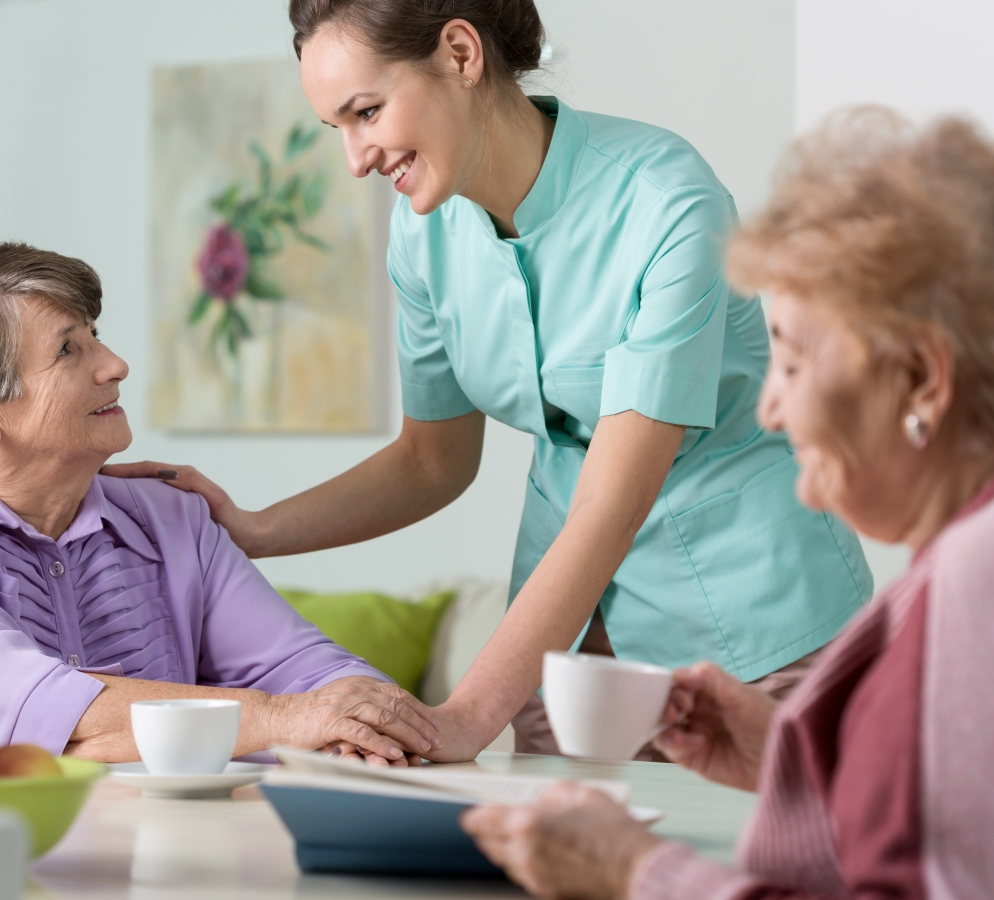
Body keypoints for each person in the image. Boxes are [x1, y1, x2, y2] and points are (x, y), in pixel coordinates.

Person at [106, 0, 871, 760]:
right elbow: (431, 460)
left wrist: (466, 716)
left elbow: (613, 503)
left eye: (366, 112)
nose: (356, 158)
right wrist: (254, 529)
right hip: (565, 643)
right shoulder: (423, 233)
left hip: (752, 627)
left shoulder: (668, 204)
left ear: (461, 54)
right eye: (337, 128)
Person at [461, 108, 994, 898]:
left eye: (794, 361)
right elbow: (938, 843)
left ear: (921, 377)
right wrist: (785, 754)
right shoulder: (949, 574)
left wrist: (636, 871)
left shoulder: (972, 584)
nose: (770, 409)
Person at [0, 244, 440, 764]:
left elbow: (302, 666)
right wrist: (278, 721)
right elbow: (17, 717)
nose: (116, 364)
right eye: (69, 349)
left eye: (95, 335)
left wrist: (359, 714)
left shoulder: (169, 515)